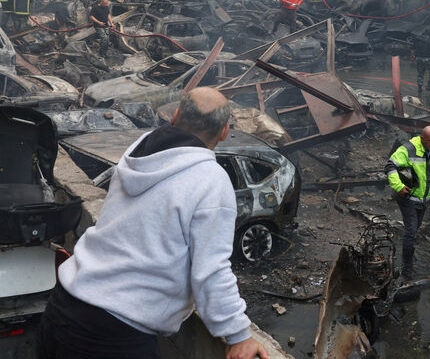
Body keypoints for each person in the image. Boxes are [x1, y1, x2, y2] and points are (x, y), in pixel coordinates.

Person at [38, 87, 270, 359]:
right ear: (224, 132)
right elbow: (211, 270)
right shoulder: (210, 180)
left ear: (174, 117)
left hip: (62, 307)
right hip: (114, 337)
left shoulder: (140, 150)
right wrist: (239, 334)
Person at [385, 126, 430, 279]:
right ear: (422, 138)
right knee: (411, 232)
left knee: (414, 229)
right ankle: (407, 268)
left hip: (424, 200)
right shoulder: (408, 149)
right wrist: (398, 186)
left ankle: (408, 252)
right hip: (408, 199)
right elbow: (390, 166)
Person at [411, 27, 430, 97]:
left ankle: (420, 88)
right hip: (428, 59)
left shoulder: (417, 38)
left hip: (419, 58)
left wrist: (412, 56)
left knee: (420, 73)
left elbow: (412, 49)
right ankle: (429, 86)